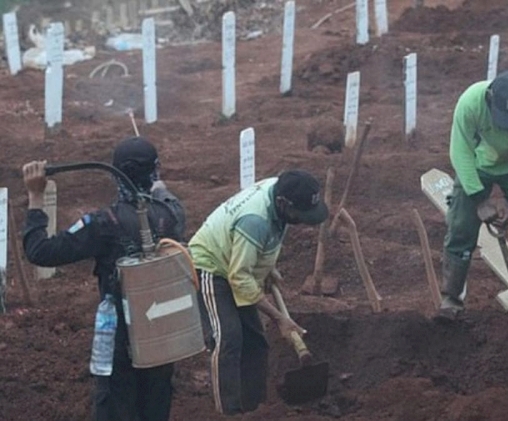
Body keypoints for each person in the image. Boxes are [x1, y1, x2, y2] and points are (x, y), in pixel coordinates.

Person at [22, 137, 186, 421]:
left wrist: (36, 197)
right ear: (156, 170)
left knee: (115, 406)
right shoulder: (172, 215)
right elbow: (164, 196)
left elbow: (40, 251)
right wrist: (159, 187)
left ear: (114, 174)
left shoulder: (103, 223)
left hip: (120, 346)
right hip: (163, 339)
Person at [189, 169, 328, 415]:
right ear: (283, 203)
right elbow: (239, 276)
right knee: (228, 338)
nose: (303, 220)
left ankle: (255, 409)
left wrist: (267, 267)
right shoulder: (255, 220)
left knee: (256, 342)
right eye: (301, 214)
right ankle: (228, 413)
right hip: (210, 266)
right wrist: (279, 318)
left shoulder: (279, 190)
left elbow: (268, 237)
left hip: (237, 260)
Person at [438, 70, 508, 320]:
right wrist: (479, 199)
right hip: (479, 165)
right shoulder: (470, 103)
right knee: (459, 228)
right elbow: (461, 153)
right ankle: (450, 302)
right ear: (489, 99)